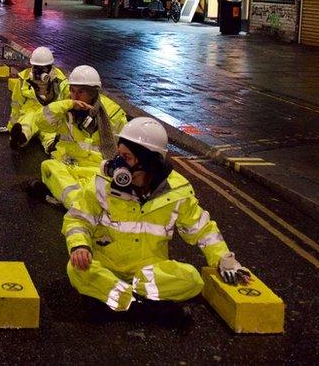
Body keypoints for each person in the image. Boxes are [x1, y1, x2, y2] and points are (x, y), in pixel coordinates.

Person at [64, 117, 251, 319]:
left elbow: (202, 229)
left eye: (126, 157)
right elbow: (78, 219)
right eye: (119, 155)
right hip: (107, 265)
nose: (117, 164)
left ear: (148, 160)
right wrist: (79, 246)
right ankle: (142, 307)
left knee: (193, 280)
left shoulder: (177, 190)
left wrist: (224, 259)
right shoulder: (103, 183)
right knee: (76, 269)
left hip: (149, 272)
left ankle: (118, 301)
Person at [24, 65, 127, 208]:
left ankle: (67, 203)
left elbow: (126, 148)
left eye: (81, 92)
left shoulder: (113, 113)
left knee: (108, 187)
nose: (75, 96)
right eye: (72, 91)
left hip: (97, 169)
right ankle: (80, 206)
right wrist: (67, 104)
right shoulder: (66, 108)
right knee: (48, 166)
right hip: (67, 166)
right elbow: (41, 122)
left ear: (93, 93)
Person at [0, 46, 69, 152]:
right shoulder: (24, 78)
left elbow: (68, 101)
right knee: (27, 122)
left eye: (43, 68)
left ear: (50, 67)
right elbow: (16, 103)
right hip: (31, 112)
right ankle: (20, 138)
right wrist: (11, 125)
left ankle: (51, 146)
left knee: (50, 133)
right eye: (36, 67)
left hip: (50, 116)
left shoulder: (61, 81)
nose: (39, 71)